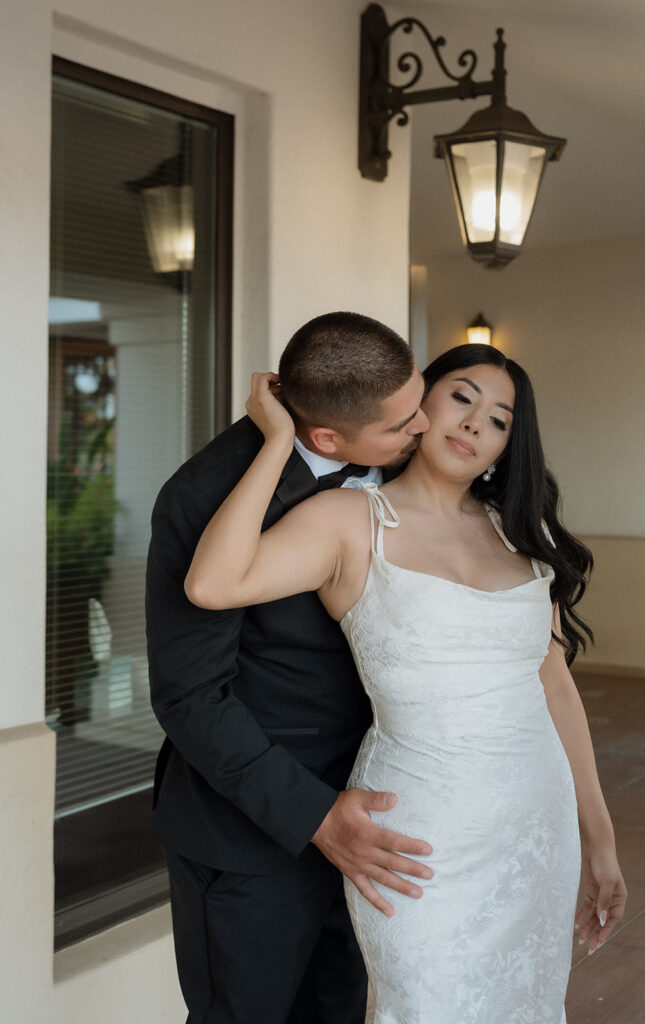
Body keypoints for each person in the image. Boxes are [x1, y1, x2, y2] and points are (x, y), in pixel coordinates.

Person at [185, 342, 628, 1024]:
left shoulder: (522, 532)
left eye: (501, 419)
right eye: (461, 396)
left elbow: (554, 690)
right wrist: (276, 439)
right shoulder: (349, 520)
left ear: (507, 447)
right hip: (421, 838)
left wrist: (598, 842)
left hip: (535, 828)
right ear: (417, 402)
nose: (476, 423)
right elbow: (212, 584)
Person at [146, 311, 435, 1024]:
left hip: (367, 811)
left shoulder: (396, 469)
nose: (422, 428)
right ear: (326, 438)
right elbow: (190, 697)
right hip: (249, 833)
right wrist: (316, 818)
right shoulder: (199, 497)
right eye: (402, 424)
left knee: (335, 1010)